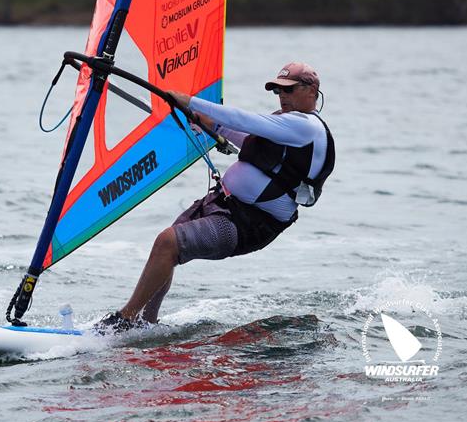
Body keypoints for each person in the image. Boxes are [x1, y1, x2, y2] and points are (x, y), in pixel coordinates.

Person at [96, 62, 335, 331]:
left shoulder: (307, 127)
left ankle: (125, 320)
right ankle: (145, 324)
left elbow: (245, 120)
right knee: (167, 246)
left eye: (289, 91)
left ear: (312, 91)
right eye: (279, 91)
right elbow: (248, 140)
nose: (282, 97)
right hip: (226, 204)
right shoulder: (286, 127)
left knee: (168, 243)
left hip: (251, 223)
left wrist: (192, 103)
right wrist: (212, 126)